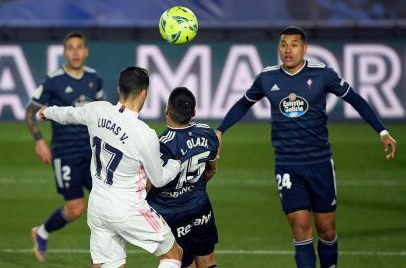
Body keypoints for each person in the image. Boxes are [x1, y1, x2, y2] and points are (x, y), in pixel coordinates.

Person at [215, 26, 397, 268]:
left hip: (319, 162)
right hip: (287, 164)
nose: (288, 50)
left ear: (305, 49)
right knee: (300, 229)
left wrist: (382, 131)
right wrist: (220, 130)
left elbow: (354, 98)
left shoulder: (323, 75)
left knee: (327, 229)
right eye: (283, 44)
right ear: (278, 48)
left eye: (294, 44)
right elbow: (243, 103)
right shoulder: (267, 78)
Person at [40, 66, 183, 268]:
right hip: (127, 209)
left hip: (98, 206)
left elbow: (68, 114)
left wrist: (47, 111)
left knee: (110, 265)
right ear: (144, 94)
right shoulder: (144, 134)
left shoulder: (97, 110)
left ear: (119, 89)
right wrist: (176, 164)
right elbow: (159, 179)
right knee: (173, 254)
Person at [25, 31, 104, 262]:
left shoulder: (94, 79)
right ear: (64, 52)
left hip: (91, 152)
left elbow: (101, 112)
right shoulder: (53, 80)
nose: (76, 51)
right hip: (65, 152)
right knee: (75, 209)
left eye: (80, 47)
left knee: (104, 203)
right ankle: (41, 232)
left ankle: (102, 257)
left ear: (86, 51)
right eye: (71, 47)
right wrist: (40, 141)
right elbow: (31, 111)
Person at [147, 87, 220, 268]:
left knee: (183, 262)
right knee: (208, 259)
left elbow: (150, 184)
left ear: (166, 110)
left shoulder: (161, 144)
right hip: (201, 208)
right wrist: (191, 189)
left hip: (172, 214)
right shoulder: (207, 132)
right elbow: (211, 170)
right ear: (194, 112)